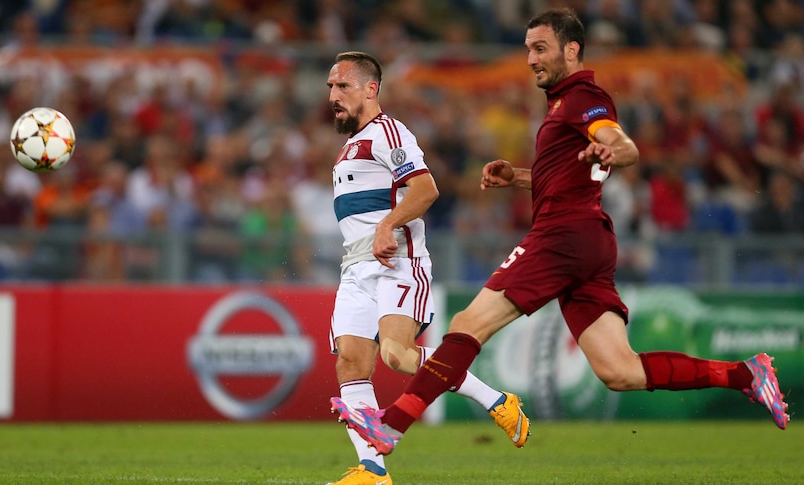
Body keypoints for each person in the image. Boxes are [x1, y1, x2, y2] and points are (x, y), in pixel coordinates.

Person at [329, 9, 790, 457]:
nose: (531, 58)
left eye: (540, 48)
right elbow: (569, 171)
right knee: (620, 371)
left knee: (468, 325)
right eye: (529, 48)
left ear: (572, 50)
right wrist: (518, 178)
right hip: (588, 240)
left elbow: (619, 143)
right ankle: (746, 376)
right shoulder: (561, 108)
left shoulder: (582, 99)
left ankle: (390, 427)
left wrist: (616, 153)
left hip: (562, 237)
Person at [324, 51, 528, 485]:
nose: (333, 96)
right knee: (350, 364)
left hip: (397, 260)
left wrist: (387, 226)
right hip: (355, 268)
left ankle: (497, 401)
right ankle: (373, 471)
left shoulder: (389, 133)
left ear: (370, 89)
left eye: (342, 86)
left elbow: (426, 189)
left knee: (397, 355)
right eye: (330, 87)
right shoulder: (347, 147)